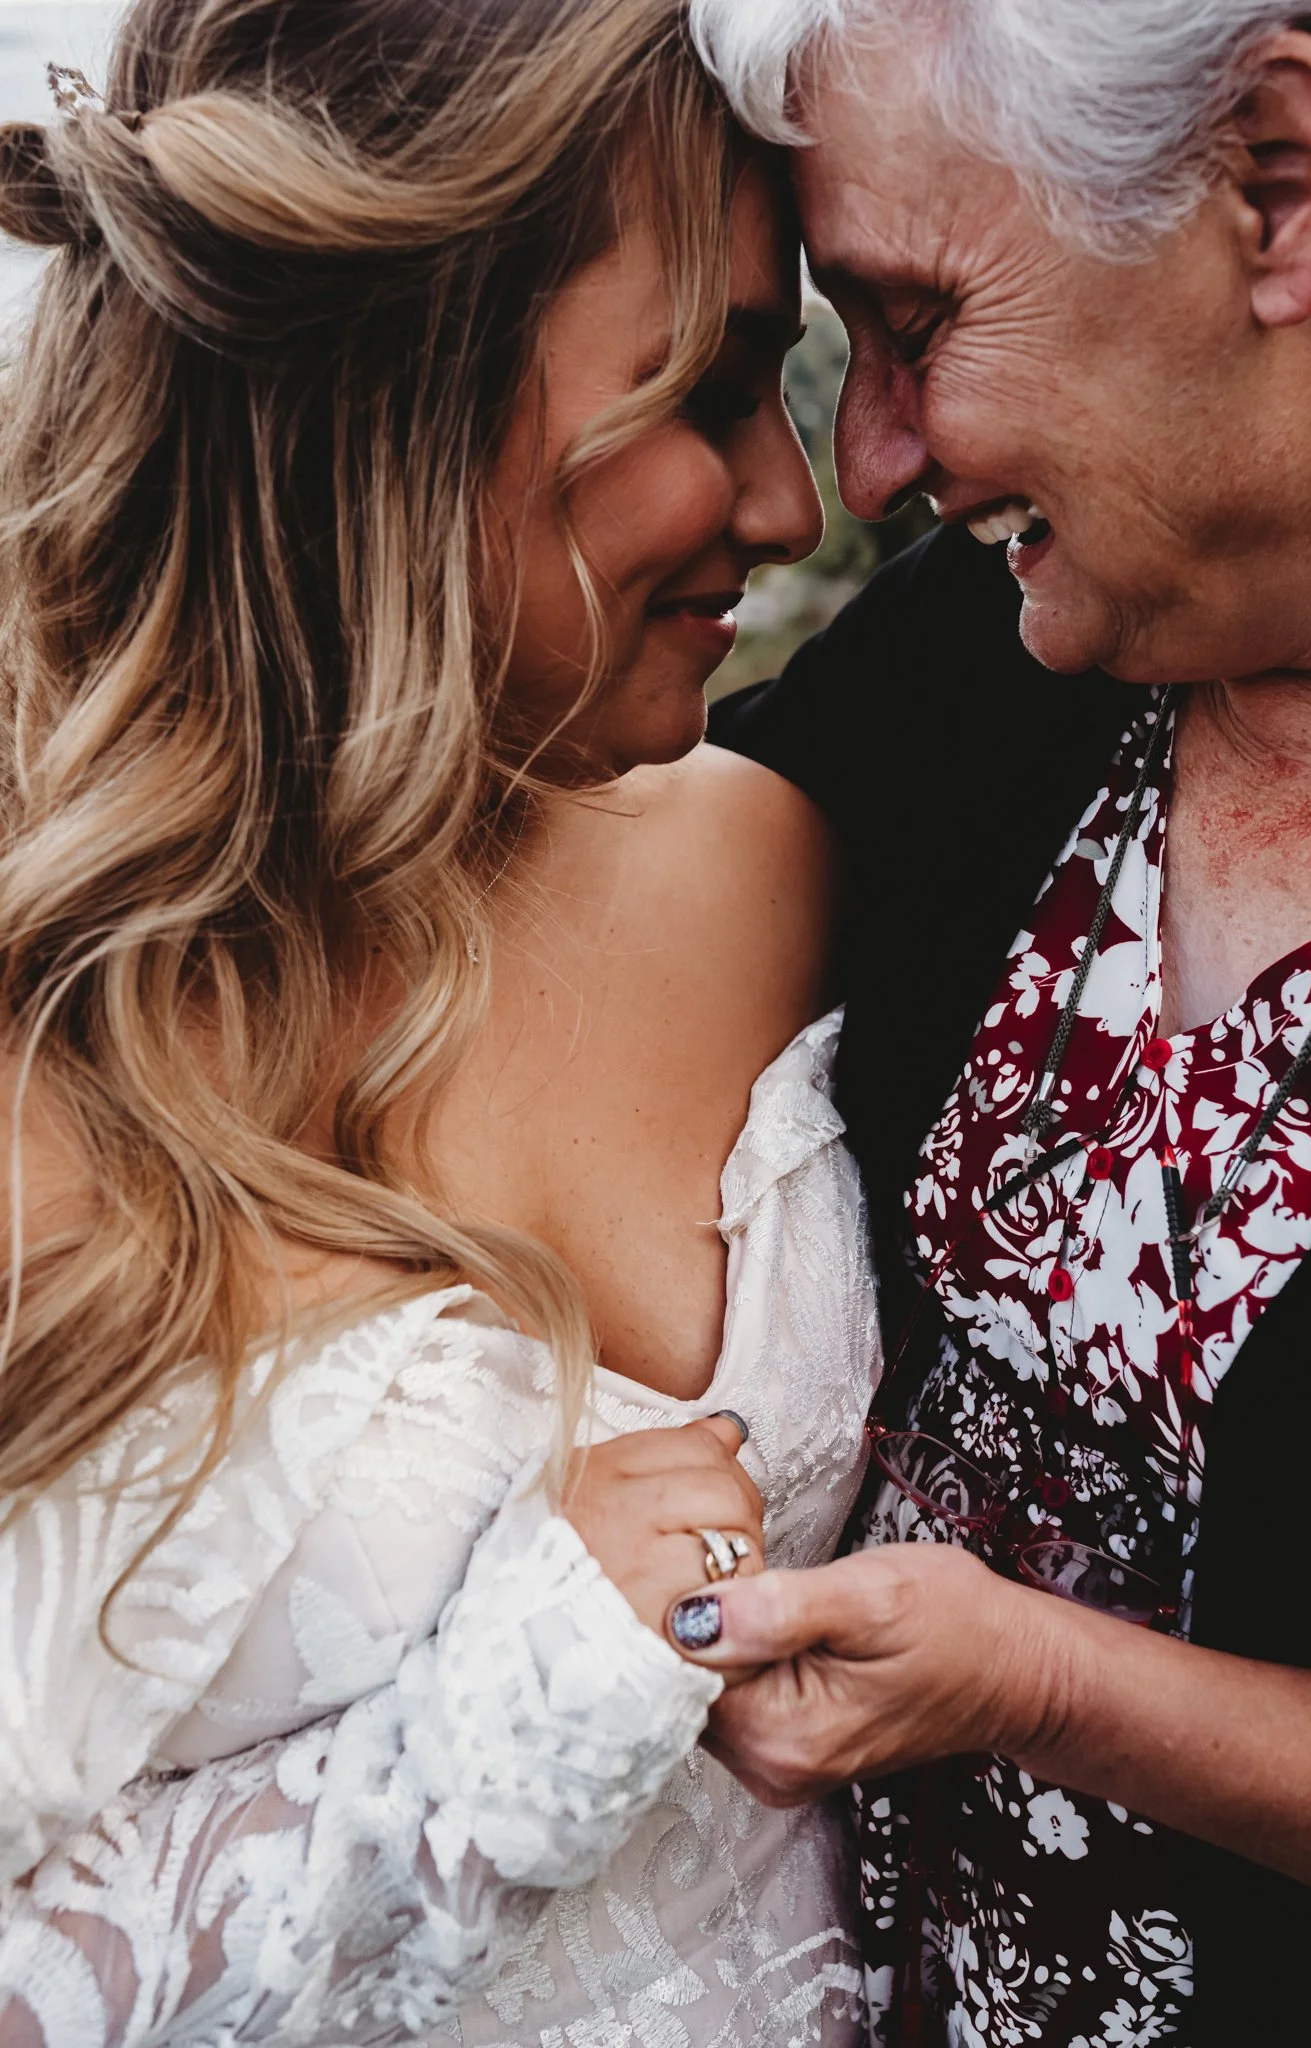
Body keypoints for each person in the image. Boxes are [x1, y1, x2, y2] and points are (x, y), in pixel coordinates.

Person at [0, 3, 881, 2043]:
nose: (791, 495)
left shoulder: (769, 865)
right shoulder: (49, 1054)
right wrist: (477, 1751)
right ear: (407, 383)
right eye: (720, 383)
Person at [685, 2, 1311, 2042]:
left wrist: (1041, 1680)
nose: (870, 461)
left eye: (911, 320)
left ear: (1276, 184)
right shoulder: (978, 674)